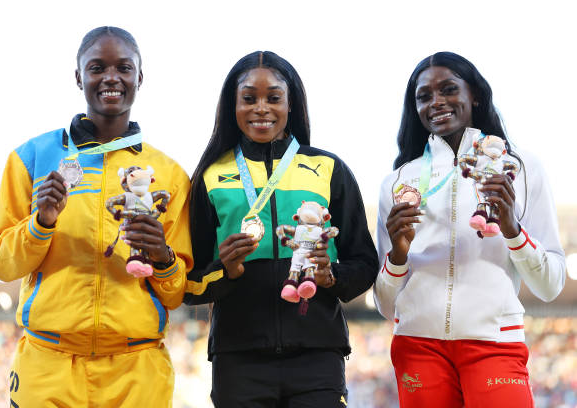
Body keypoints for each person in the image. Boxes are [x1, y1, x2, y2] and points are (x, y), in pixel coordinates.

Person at [0, 26, 193, 407]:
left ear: (139, 77)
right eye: (97, 68)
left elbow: (176, 292)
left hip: (136, 371)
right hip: (48, 366)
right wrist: (41, 224)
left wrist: (162, 257)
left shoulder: (170, 176)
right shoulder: (31, 158)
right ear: (79, 76)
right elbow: (2, 263)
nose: (111, 77)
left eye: (124, 68)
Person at [184, 51, 378, 407]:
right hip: (239, 360)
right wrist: (225, 270)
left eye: (273, 98)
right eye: (249, 99)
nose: (261, 109)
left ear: (291, 104)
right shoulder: (210, 176)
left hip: (317, 356)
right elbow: (188, 283)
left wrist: (331, 276)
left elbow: (365, 264)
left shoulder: (328, 168)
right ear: (232, 105)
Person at [374, 51, 566, 407]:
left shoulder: (520, 168)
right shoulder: (398, 182)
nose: (436, 102)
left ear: (474, 94)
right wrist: (398, 256)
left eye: (448, 89)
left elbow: (550, 285)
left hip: (495, 342)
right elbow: (386, 306)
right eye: (424, 96)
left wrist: (512, 230)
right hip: (417, 346)